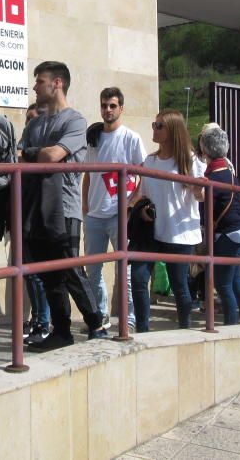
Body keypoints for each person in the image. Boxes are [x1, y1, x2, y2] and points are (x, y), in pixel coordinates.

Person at [20, 61, 106, 350]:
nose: (35, 86)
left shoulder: (75, 121)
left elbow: (52, 156)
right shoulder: (34, 124)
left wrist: (38, 155)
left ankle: (96, 323)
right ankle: (61, 331)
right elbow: (24, 158)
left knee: (70, 268)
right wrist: (38, 155)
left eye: (40, 81)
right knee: (48, 272)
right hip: (36, 207)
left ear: (57, 83)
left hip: (65, 207)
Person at [129, 109, 205, 331]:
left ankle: (185, 329)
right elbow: (143, 194)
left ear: (173, 131)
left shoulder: (190, 161)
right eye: (154, 124)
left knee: (180, 285)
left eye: (159, 126)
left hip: (179, 234)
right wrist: (138, 210)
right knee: (139, 278)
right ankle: (143, 330)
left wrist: (197, 187)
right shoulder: (149, 161)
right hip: (152, 233)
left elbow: (200, 196)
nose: (154, 129)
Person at [82, 87, 146, 332]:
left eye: (112, 105)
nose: (107, 110)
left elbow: (142, 174)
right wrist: (86, 206)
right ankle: (101, 318)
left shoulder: (131, 138)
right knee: (93, 271)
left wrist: (131, 205)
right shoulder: (94, 138)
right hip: (95, 216)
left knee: (125, 271)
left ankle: (128, 320)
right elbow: (87, 175)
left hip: (120, 215)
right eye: (104, 105)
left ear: (121, 108)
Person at [200, 127, 240, 325]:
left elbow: (206, 207)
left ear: (205, 150)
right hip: (237, 234)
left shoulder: (214, 177)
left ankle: (231, 325)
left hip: (227, 236)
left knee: (224, 284)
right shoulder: (228, 172)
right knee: (234, 280)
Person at [19, 102, 50, 342]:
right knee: (29, 273)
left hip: (40, 212)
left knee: (39, 274)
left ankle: (44, 321)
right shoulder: (27, 140)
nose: (29, 124)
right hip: (25, 209)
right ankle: (37, 318)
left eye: (33, 119)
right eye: (27, 119)